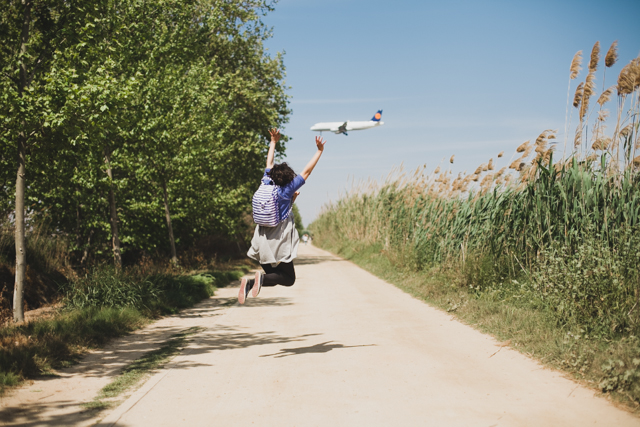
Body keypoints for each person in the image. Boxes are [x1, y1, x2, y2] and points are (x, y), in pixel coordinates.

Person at [239, 129, 326, 304]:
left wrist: (273, 142)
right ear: (288, 178)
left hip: (261, 239)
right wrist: (319, 151)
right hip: (278, 241)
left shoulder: (266, 180)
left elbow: (269, 162)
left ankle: (249, 283)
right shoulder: (286, 190)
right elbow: (307, 171)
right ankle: (259, 279)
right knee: (288, 279)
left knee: (273, 275)